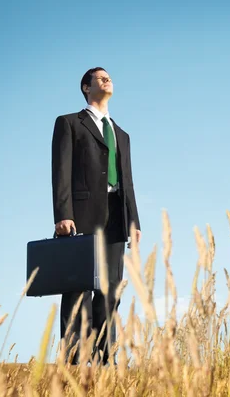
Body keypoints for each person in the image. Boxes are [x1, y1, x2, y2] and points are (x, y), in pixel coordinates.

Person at [51, 67, 141, 365]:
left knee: (110, 290)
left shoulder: (122, 134)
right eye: (100, 77)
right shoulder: (69, 124)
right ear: (85, 88)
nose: (107, 79)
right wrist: (63, 213)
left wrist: (134, 222)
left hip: (116, 216)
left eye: (109, 77)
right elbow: (61, 170)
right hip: (82, 214)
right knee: (79, 288)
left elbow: (127, 179)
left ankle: (105, 360)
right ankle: (74, 361)